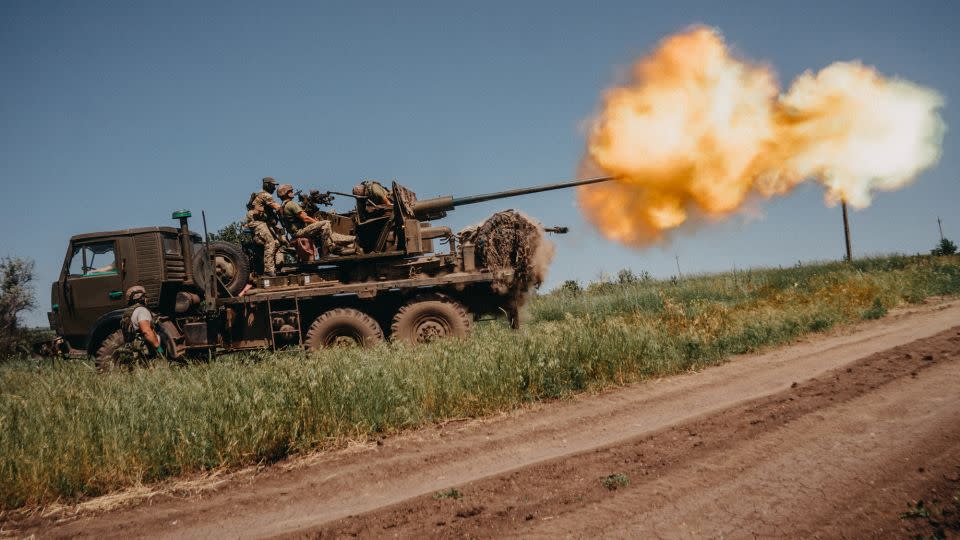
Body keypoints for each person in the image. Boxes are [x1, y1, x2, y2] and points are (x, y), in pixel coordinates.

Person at [278, 183, 356, 256]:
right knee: (325, 223)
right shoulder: (291, 204)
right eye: (290, 191)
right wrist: (317, 222)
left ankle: (343, 246)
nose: (292, 192)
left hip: (294, 233)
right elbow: (305, 218)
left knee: (330, 233)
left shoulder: (283, 206)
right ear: (285, 193)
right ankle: (329, 249)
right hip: (299, 232)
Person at [246, 177, 284, 276]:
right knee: (270, 241)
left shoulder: (261, 195)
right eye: (273, 185)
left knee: (276, 243)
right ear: (267, 185)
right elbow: (278, 208)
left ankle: (275, 267)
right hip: (257, 222)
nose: (275, 188)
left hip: (261, 222)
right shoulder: (265, 195)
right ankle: (268, 270)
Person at [119, 285, 164, 361]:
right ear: (141, 298)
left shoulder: (128, 312)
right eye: (145, 296)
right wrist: (159, 349)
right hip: (145, 351)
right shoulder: (142, 310)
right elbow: (146, 331)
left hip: (133, 350)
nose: (146, 299)